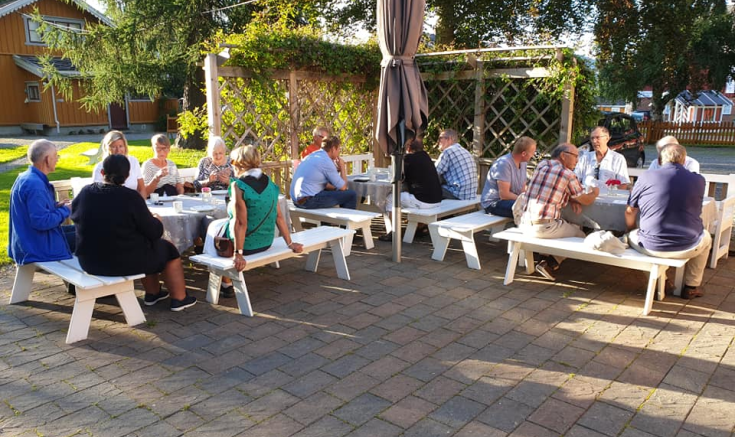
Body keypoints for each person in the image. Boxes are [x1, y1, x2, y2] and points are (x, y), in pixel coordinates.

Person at [71, 155, 197, 311]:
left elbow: (74, 215)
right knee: (168, 249)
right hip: (122, 263)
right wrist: (156, 219)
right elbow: (154, 232)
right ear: (127, 175)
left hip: (89, 261)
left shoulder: (86, 193)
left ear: (102, 172)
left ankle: (153, 293)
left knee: (148, 246)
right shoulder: (130, 198)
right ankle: (180, 298)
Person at [626, 144, 711, 299]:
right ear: (684, 160)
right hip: (688, 245)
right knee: (707, 238)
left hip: (651, 246)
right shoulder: (698, 180)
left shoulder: (646, 177)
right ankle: (692, 286)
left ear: (660, 160)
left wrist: (631, 229)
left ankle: (662, 280)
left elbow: (630, 211)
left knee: (632, 239)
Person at [520, 143, 600, 280]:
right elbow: (586, 200)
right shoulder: (567, 174)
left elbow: (551, 187)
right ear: (563, 156)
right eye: (576, 156)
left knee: (566, 224)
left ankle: (542, 259)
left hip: (524, 223)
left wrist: (571, 199)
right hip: (543, 227)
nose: (577, 160)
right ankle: (549, 264)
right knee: (580, 234)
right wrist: (594, 193)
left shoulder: (542, 165)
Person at [227, 145, 304, 274]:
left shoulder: (238, 186)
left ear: (239, 163)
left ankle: (226, 282)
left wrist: (238, 254)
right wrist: (290, 244)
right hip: (266, 242)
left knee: (213, 229)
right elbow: (279, 217)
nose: (231, 165)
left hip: (247, 246)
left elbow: (240, 223)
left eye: (232, 161)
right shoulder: (270, 184)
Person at [9, 139, 75, 265]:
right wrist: (66, 210)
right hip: (38, 248)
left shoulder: (25, 177)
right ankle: (94, 280)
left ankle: (75, 283)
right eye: (56, 156)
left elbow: (32, 212)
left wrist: (55, 206)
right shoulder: (35, 185)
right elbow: (41, 222)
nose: (57, 159)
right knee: (91, 235)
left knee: (81, 230)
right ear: (47, 159)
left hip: (28, 242)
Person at [379, 138, 442, 241]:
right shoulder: (425, 156)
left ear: (408, 147)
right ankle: (420, 228)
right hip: (437, 199)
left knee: (390, 198)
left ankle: (394, 232)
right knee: (409, 195)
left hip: (424, 202)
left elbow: (400, 178)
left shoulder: (408, 159)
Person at [290, 136, 357, 209]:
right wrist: (342, 168)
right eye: (339, 150)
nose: (339, 153)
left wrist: (336, 171)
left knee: (333, 192)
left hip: (296, 200)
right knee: (351, 195)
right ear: (333, 149)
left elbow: (326, 184)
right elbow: (343, 187)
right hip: (308, 201)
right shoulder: (326, 161)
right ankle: (346, 220)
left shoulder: (314, 155)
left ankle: (330, 220)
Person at [480, 136, 536, 217]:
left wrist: (530, 199)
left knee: (535, 207)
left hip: (510, 201)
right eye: (533, 152)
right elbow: (504, 195)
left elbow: (522, 190)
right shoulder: (504, 164)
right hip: (494, 203)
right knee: (527, 209)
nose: (533, 155)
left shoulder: (523, 163)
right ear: (524, 153)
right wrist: (524, 200)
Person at [92, 130, 145, 196]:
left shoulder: (133, 161)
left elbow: (141, 188)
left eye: (121, 146)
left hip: (132, 202)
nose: (118, 150)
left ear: (125, 147)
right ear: (107, 148)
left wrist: (142, 203)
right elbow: (96, 193)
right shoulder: (100, 167)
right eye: (114, 147)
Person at [435, 129, 478, 200]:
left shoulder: (448, 151)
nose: (438, 141)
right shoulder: (465, 151)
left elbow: (434, 172)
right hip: (470, 194)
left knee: (427, 187)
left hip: (458, 194)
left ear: (449, 139)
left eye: (440, 138)